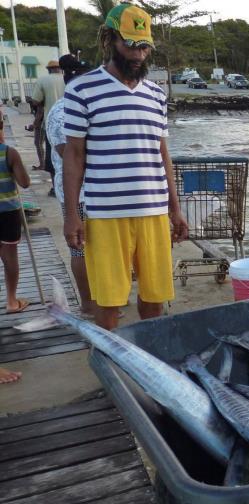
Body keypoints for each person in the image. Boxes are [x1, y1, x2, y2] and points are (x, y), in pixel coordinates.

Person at [62, 3, 188, 330]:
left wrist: (175, 209)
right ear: (110, 39)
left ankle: (150, 359)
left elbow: (163, 155)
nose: (137, 54)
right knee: (109, 302)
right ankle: (112, 366)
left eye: (143, 45)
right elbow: (73, 156)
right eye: (129, 44)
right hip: (106, 215)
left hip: (154, 211)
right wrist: (72, 214)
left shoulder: (155, 95)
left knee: (154, 298)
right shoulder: (81, 90)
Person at [47, 55, 95, 317]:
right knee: (80, 250)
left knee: (94, 249)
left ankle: (99, 300)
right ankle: (88, 304)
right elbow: (69, 153)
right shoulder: (62, 110)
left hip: (94, 192)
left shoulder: (82, 107)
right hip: (77, 193)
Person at [0, 117, 31, 315]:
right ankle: (11, 301)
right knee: (9, 256)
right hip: (7, 212)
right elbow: (25, 182)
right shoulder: (9, 153)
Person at [31, 60, 65, 193]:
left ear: (48, 69)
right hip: (71, 124)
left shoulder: (43, 80)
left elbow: (35, 100)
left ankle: (56, 188)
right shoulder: (67, 79)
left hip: (52, 125)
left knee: (53, 160)